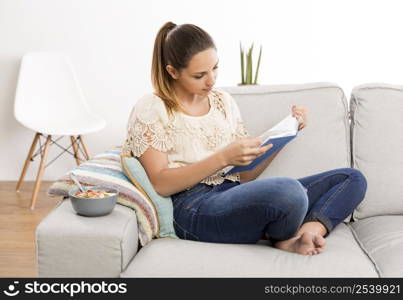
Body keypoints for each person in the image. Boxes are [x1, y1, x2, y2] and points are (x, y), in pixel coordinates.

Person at [122, 21, 367, 256]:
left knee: (352, 178)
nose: (212, 80)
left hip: (233, 192)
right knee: (290, 192)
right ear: (173, 71)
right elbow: (160, 183)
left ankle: (307, 232)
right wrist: (222, 157)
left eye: (215, 68)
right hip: (192, 207)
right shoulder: (152, 108)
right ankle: (284, 233)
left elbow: (246, 175)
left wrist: (285, 135)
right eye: (199, 75)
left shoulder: (223, 102)